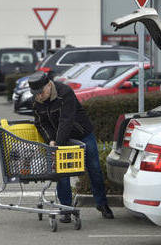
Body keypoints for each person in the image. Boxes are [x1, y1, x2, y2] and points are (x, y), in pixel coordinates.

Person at [29, 71, 114, 223]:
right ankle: (66, 209)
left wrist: (57, 143)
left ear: (49, 85)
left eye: (41, 92)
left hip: (82, 135)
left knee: (93, 168)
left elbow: (66, 121)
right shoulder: (36, 101)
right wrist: (51, 141)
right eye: (35, 94)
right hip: (60, 138)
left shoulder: (65, 93)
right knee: (62, 172)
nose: (38, 97)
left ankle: (102, 204)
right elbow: (41, 123)